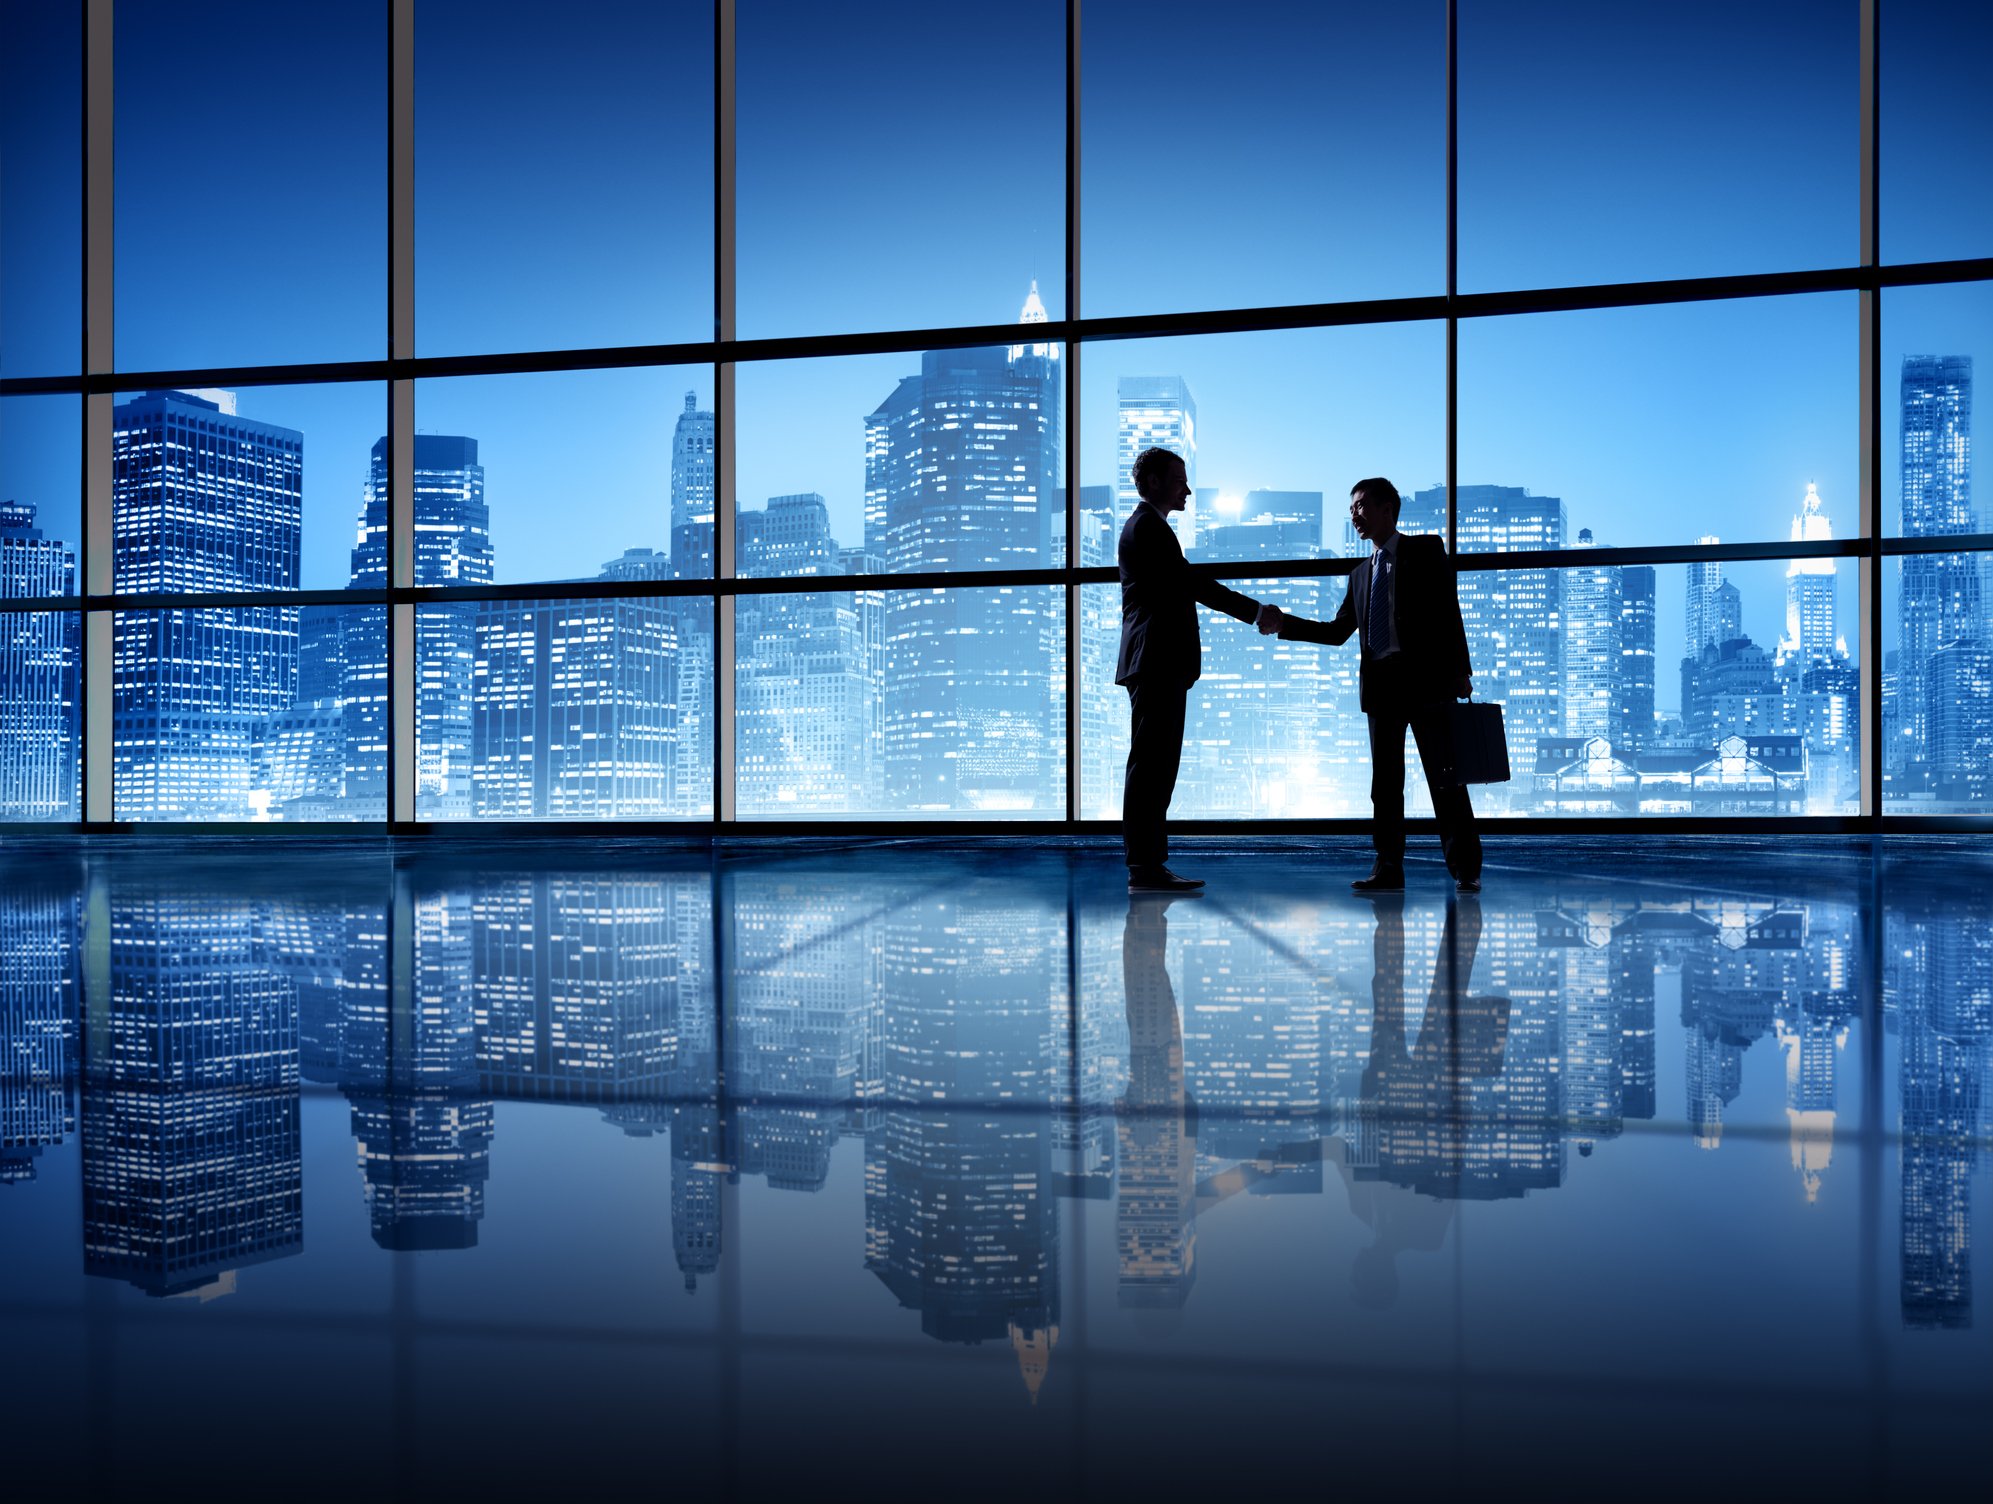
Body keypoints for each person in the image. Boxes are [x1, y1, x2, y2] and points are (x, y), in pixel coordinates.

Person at [1259, 478, 1482, 892]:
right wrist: (1284, 624)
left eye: (1361, 505)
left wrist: (1460, 671)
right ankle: (1388, 868)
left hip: (1428, 683)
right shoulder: (1360, 574)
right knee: (1385, 784)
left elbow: (1448, 612)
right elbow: (1337, 631)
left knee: (1445, 778)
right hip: (1382, 688)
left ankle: (1466, 868)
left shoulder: (1425, 550)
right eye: (1351, 508)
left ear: (1388, 510)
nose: (1354, 514)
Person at [1117, 447, 1281, 894]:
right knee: (1152, 767)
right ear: (1152, 482)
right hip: (1155, 661)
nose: (1186, 489)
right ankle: (1145, 867)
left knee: (1154, 766)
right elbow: (1192, 584)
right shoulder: (1148, 527)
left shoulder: (1149, 527)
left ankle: (1148, 864)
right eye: (1178, 479)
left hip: (1156, 662)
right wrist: (1255, 611)